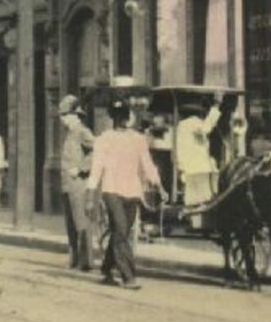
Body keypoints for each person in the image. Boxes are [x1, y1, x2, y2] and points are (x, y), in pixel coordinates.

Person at [88, 98, 163, 290]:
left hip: (132, 191)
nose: (123, 119)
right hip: (111, 190)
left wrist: (159, 186)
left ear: (129, 117)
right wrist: (90, 197)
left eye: (125, 116)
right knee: (121, 230)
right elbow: (96, 169)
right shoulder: (104, 139)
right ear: (113, 118)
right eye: (119, 116)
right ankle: (129, 276)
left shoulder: (138, 139)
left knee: (121, 232)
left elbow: (147, 165)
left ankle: (106, 268)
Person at [58, 95, 100, 272]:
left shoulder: (82, 131)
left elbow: (97, 150)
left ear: (75, 115)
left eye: (65, 114)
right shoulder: (70, 133)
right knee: (71, 225)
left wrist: (82, 168)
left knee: (81, 223)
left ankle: (85, 262)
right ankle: (75, 260)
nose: (62, 119)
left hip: (78, 184)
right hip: (68, 185)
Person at [175, 96, 225, 228]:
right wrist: (216, 107)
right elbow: (206, 128)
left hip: (192, 163)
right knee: (210, 178)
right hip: (195, 165)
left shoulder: (181, 125)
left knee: (212, 171)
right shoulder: (192, 123)